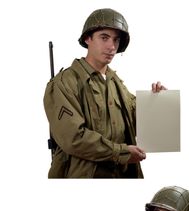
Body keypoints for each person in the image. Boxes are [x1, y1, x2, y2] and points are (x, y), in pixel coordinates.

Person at [44, 8, 166, 178]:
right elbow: (73, 138)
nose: (112, 46)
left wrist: (158, 103)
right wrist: (121, 152)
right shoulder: (65, 83)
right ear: (88, 38)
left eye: (116, 40)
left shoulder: (116, 83)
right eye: (104, 37)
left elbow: (135, 123)